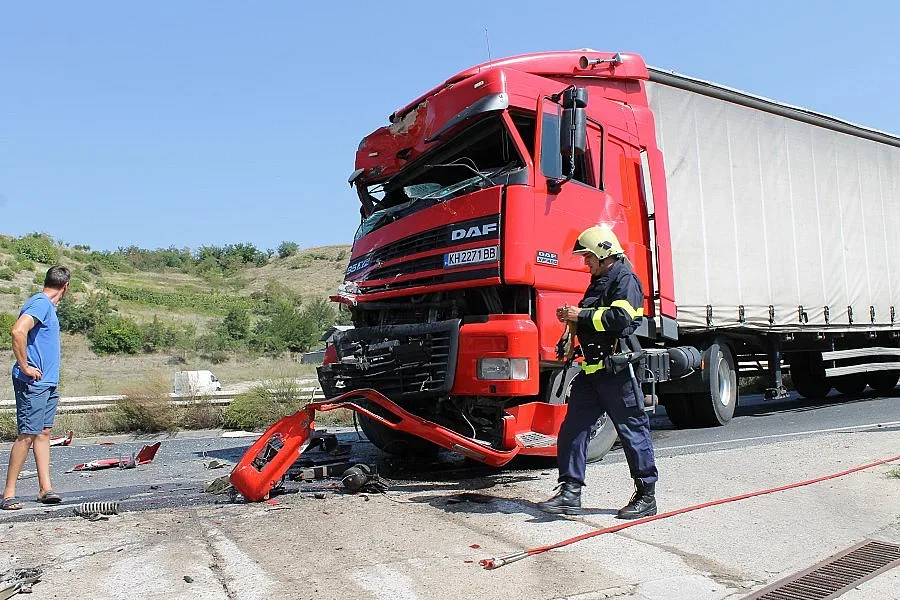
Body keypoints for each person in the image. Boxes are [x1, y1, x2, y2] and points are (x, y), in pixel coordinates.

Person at [539, 226, 658, 519]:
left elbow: (622, 320)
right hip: (592, 373)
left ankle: (646, 496)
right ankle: (569, 493)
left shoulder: (625, 279)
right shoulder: (599, 281)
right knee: (573, 430)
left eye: (588, 256)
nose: (585, 262)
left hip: (618, 372)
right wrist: (572, 325)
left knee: (632, 431)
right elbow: (594, 320)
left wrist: (580, 315)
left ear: (604, 253)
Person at [2, 265, 70, 510]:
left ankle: (45, 489)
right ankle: (8, 493)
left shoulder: (46, 306)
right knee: (27, 435)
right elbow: (17, 331)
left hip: (47, 382)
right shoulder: (41, 304)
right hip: (34, 382)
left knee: (43, 433)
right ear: (65, 287)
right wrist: (26, 366)